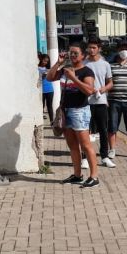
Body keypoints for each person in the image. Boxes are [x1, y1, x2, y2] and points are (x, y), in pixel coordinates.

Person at [46, 43, 99, 188]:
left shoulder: (86, 72)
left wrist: (74, 78)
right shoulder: (65, 70)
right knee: (72, 145)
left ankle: (94, 177)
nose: (72, 55)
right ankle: (77, 175)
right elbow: (49, 78)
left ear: (83, 56)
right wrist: (58, 63)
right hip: (66, 111)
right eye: (70, 53)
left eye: (76, 53)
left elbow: (89, 91)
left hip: (79, 111)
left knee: (85, 145)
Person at [82, 38, 115, 169]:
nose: (91, 50)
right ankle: (84, 158)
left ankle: (104, 157)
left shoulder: (105, 64)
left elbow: (110, 83)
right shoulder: (84, 64)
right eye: (89, 47)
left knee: (103, 129)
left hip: (101, 101)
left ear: (99, 49)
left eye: (94, 47)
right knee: (85, 131)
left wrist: (104, 89)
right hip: (86, 101)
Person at [38, 54, 54, 123]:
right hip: (41, 90)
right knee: (41, 106)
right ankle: (40, 122)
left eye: (47, 61)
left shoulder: (48, 69)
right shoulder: (37, 68)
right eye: (44, 61)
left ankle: (52, 122)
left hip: (50, 90)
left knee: (49, 106)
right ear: (41, 59)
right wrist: (41, 76)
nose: (45, 63)